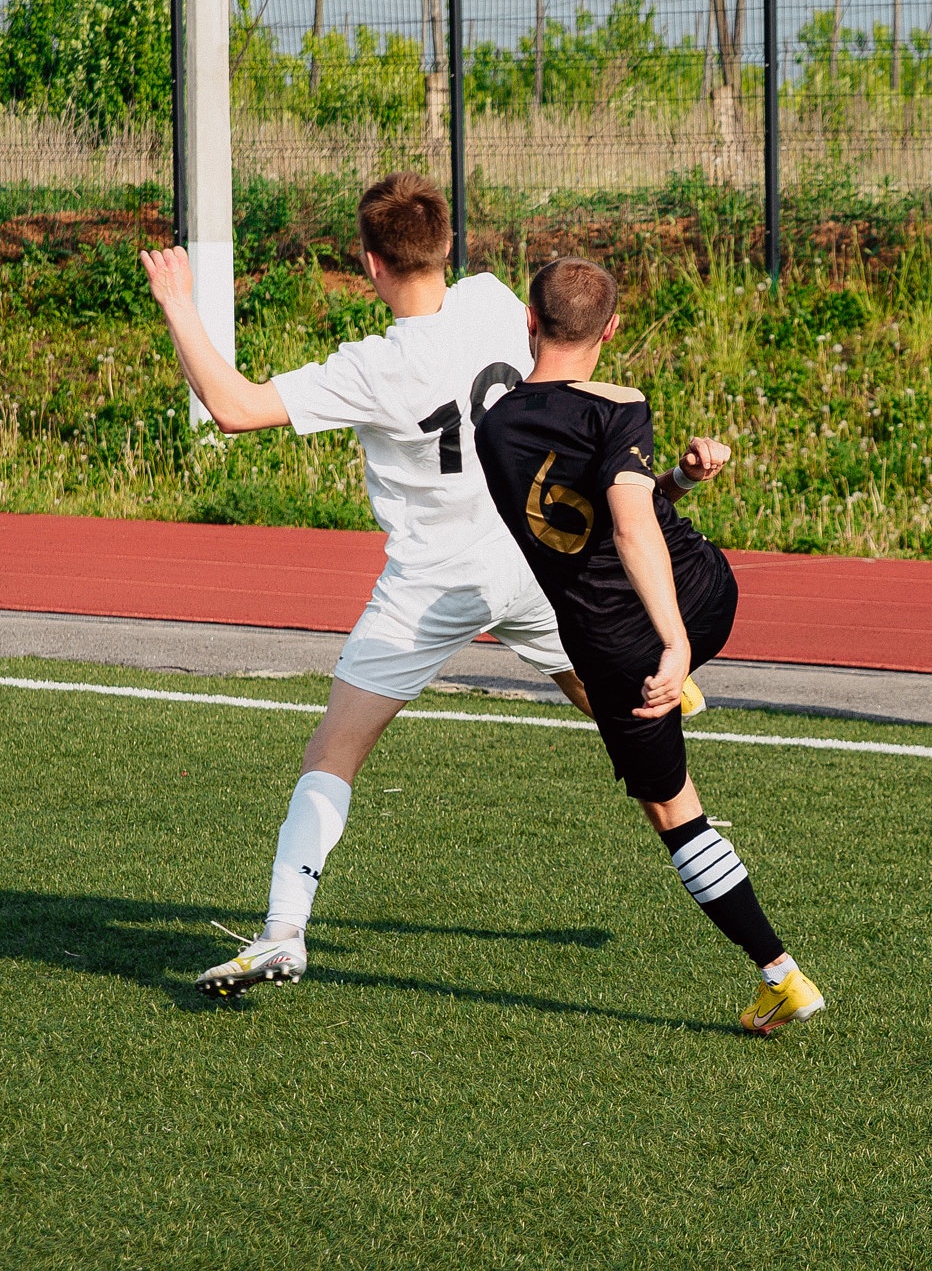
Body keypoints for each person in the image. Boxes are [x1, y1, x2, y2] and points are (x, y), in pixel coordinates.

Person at [138, 172, 595, 998]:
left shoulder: (376, 365)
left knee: (333, 753)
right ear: (448, 246)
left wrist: (177, 305)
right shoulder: (495, 300)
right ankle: (672, 762)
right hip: (525, 559)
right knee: (614, 700)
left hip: (433, 587)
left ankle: (283, 932)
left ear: (370, 262)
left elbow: (233, 407)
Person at [472, 257, 824, 1035]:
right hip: (709, 591)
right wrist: (683, 480)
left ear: (529, 321)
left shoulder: (492, 428)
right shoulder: (622, 402)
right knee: (663, 699)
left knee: (671, 809)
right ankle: (680, 674)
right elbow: (625, 509)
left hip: (625, 648)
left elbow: (621, 525)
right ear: (612, 329)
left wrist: (670, 647)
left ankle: (781, 977)